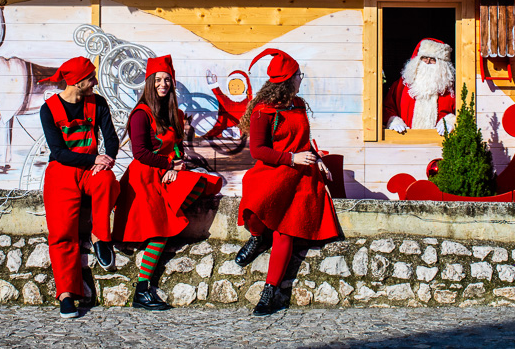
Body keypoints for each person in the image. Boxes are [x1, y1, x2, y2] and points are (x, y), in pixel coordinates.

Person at [234, 48, 341, 316]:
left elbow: (304, 144)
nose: (301, 80)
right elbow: (258, 150)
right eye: (298, 75)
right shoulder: (263, 111)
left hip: (302, 177)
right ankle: (258, 237)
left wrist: (317, 160)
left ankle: (269, 292)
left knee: (285, 230)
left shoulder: (299, 105)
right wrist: (291, 158)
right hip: (274, 169)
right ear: (289, 79)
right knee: (256, 200)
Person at [112, 55, 223, 311]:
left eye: (167, 80)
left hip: (164, 175)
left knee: (200, 182)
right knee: (160, 233)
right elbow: (139, 152)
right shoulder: (140, 115)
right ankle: (141, 292)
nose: (163, 84)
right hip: (143, 179)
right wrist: (168, 166)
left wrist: (176, 163)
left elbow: (177, 149)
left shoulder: (174, 113)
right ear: (149, 82)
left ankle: (143, 291)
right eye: (158, 80)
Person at [37, 56, 120, 319]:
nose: (95, 82)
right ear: (77, 82)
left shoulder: (98, 103)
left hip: (91, 171)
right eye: (91, 78)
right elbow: (59, 153)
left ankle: (100, 237)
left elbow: (111, 140)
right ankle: (66, 294)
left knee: (108, 182)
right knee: (62, 232)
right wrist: (92, 158)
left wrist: (104, 162)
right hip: (62, 172)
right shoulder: (48, 109)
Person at [383, 38, 456, 134]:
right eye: (424, 58)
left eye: (433, 59)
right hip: (404, 141)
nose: (427, 62)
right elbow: (387, 107)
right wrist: (393, 121)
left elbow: (460, 112)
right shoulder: (401, 85)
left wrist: (449, 122)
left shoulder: (450, 90)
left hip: (437, 143)